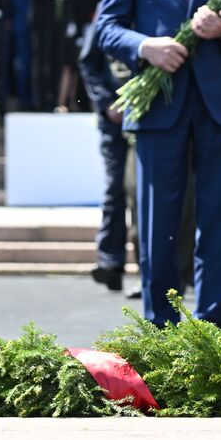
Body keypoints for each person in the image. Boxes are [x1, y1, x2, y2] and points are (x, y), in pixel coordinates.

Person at [95, 0, 221, 328]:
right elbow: (107, 28)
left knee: (219, 221)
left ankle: (212, 331)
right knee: (156, 223)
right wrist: (146, 47)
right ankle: (160, 329)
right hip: (159, 105)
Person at [79, 16, 133, 292]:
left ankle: (150, 267)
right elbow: (89, 62)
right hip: (114, 122)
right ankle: (111, 260)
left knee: (143, 194)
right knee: (115, 189)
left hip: (151, 118)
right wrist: (107, 104)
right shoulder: (107, 10)